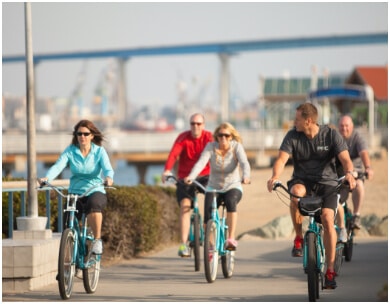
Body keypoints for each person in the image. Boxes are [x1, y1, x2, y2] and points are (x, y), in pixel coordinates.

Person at [266, 103, 356, 289]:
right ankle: (299, 238)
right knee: (295, 194)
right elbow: (282, 159)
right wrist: (275, 176)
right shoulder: (293, 135)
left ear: (308, 121)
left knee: (327, 219)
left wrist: (348, 173)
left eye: (297, 119)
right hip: (303, 182)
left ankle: (330, 270)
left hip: (328, 184)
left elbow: (345, 159)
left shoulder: (330, 135)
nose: (294, 122)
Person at [39, 119, 114, 255]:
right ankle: (72, 258)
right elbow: (58, 166)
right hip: (75, 193)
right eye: (79, 134)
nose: (82, 137)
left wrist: (109, 178)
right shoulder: (70, 151)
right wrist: (47, 178)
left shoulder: (99, 151)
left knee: (94, 205)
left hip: (95, 189)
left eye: (86, 134)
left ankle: (97, 240)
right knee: (67, 224)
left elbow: (108, 169)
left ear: (92, 135)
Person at [184, 122, 251, 250]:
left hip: (233, 186)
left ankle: (230, 239)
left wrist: (246, 176)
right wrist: (191, 176)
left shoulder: (237, 147)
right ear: (217, 136)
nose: (223, 138)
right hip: (213, 186)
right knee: (208, 216)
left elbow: (244, 163)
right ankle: (210, 246)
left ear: (231, 136)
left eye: (227, 135)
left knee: (231, 201)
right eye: (220, 135)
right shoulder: (211, 147)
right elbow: (201, 163)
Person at [162, 113, 213, 257]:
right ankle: (183, 244)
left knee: (210, 206)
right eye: (192, 124)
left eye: (198, 124)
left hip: (206, 176)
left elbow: (218, 153)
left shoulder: (209, 137)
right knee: (185, 206)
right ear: (189, 125)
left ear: (203, 125)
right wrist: (167, 170)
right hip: (185, 177)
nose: (195, 126)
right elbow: (173, 155)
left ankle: (211, 244)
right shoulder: (183, 137)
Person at [335, 115, 374, 241]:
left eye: (346, 126)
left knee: (359, 185)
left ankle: (356, 215)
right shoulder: (335, 138)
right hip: (339, 173)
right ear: (338, 127)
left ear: (351, 127)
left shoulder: (357, 138)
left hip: (356, 172)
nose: (344, 128)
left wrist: (368, 167)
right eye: (341, 126)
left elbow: (364, 153)